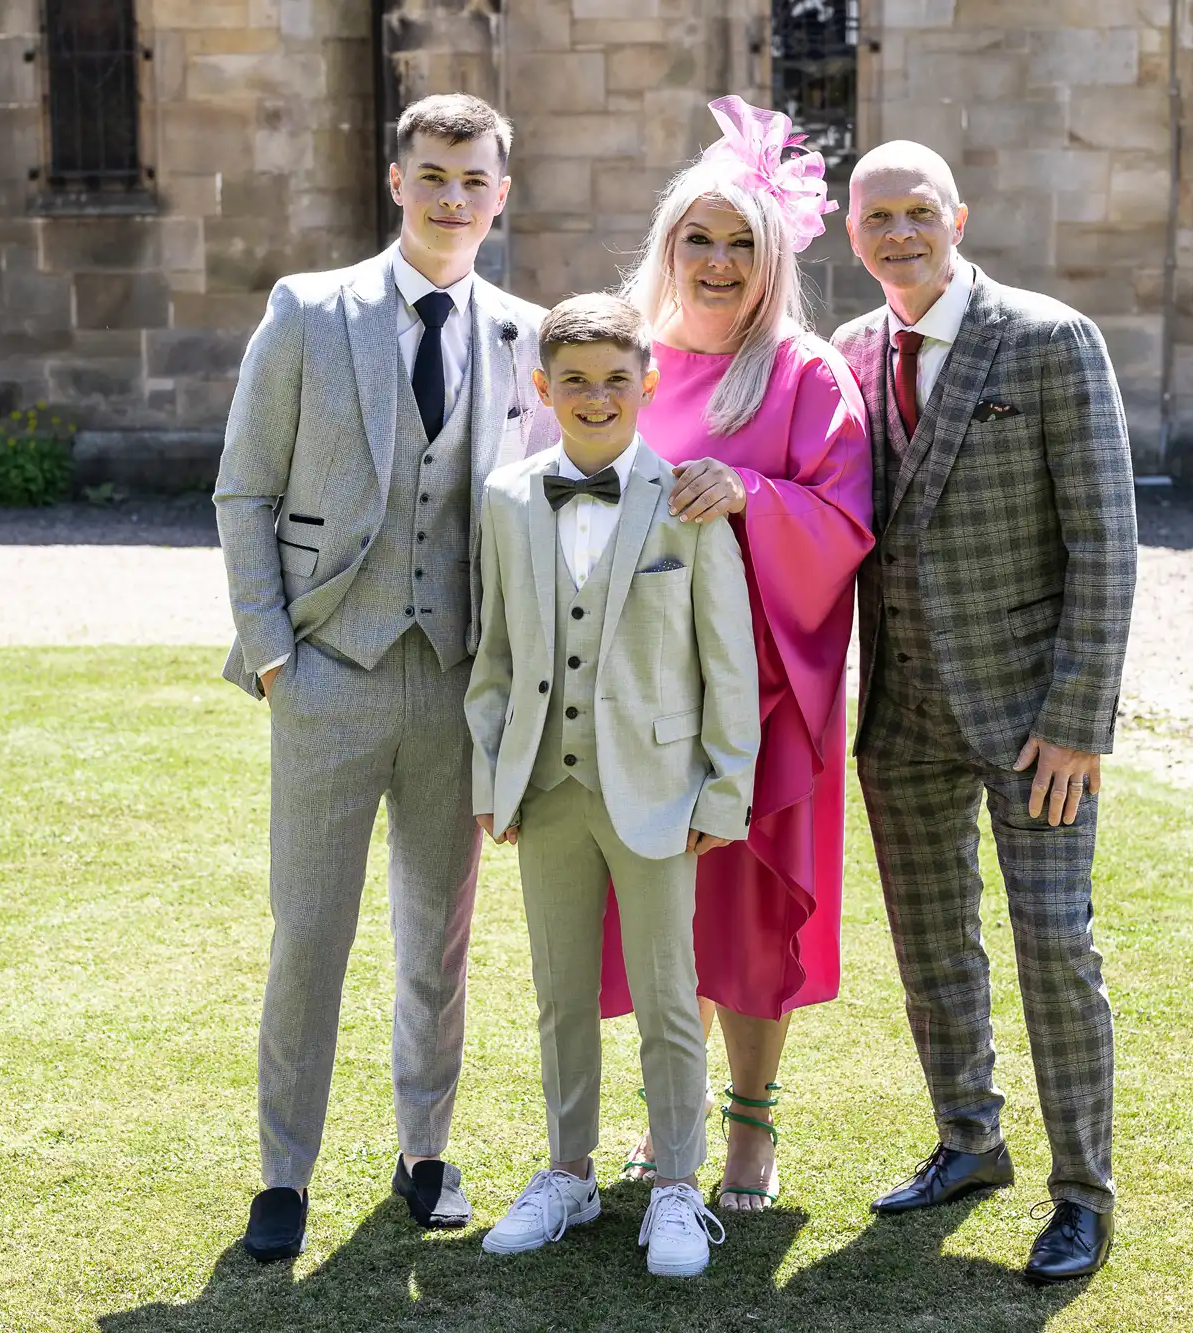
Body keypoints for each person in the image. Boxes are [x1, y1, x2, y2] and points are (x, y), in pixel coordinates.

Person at [213, 93, 554, 1264]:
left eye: (475, 180)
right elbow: (243, 490)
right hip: (326, 672)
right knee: (307, 934)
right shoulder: (309, 311)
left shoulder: (526, 333)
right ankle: (283, 1174)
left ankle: (424, 1150)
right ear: (397, 180)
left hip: (455, 683)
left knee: (438, 940)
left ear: (500, 195)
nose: (453, 197)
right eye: (433, 175)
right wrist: (273, 655)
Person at [831, 140, 1137, 1284]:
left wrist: (1079, 718)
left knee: (1053, 947)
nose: (899, 233)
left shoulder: (1052, 340)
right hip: (900, 709)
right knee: (929, 945)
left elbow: (1104, 540)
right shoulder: (852, 354)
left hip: (1032, 717)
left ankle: (1081, 1192)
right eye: (878, 217)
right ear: (849, 232)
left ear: (957, 215)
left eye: (918, 211)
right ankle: (968, 1140)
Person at [600, 95, 874, 1213]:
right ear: (666, 248)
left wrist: (751, 495)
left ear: (772, 260)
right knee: (663, 901)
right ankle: (676, 1107)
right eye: (695, 240)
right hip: (640, 688)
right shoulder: (629, 364)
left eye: (739, 244)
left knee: (749, 909)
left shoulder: (804, 375)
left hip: (765, 692)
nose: (716, 264)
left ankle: (751, 1131)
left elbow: (845, 522)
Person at [465, 294, 762, 1277]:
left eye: (614, 379)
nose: (595, 397)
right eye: (575, 381)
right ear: (543, 391)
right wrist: (490, 777)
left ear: (648, 385)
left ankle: (675, 1182)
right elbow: (495, 659)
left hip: (659, 793)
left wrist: (723, 794)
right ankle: (567, 1172)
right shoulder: (508, 500)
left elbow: (729, 662)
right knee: (558, 991)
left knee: (669, 992)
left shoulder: (687, 500)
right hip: (544, 787)